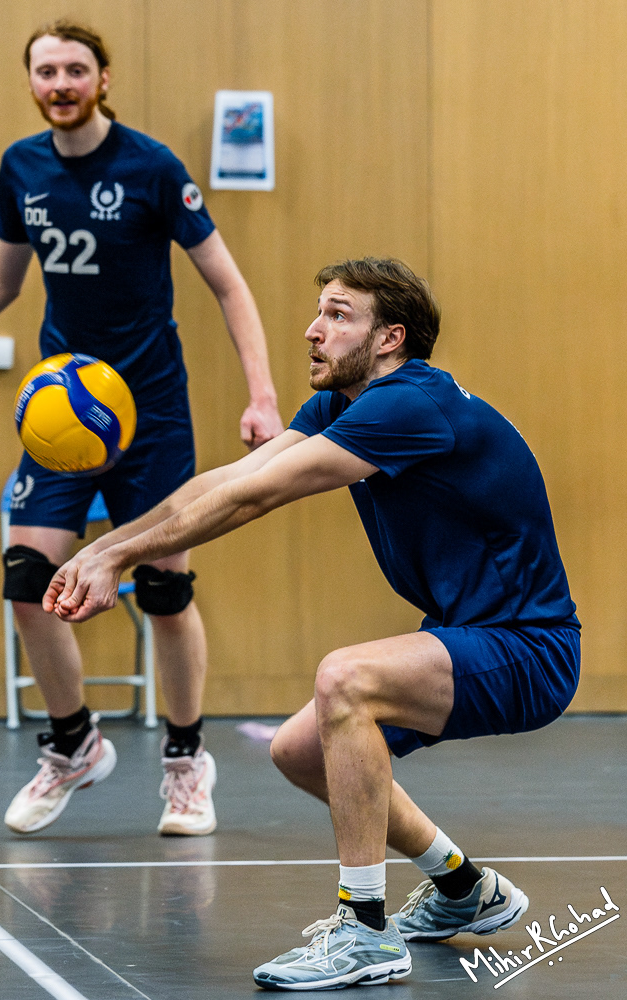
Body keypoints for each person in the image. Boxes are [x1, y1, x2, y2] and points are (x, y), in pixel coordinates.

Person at [41, 257, 580, 989]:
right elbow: (227, 481)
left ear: (390, 338)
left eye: (337, 314)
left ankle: (365, 933)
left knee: (345, 679)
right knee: (299, 750)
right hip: (472, 636)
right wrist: (104, 548)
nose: (312, 330)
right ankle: (463, 888)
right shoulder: (342, 405)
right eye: (319, 312)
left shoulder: (408, 404)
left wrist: (121, 558)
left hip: (529, 649)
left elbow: (257, 499)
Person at [0, 20, 283, 839]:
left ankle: (186, 762)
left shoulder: (152, 167)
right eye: (46, 71)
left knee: (163, 590)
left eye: (75, 70)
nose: (60, 84)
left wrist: (261, 396)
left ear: (103, 78)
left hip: (150, 412)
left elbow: (229, 285)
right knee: (28, 580)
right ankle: (73, 745)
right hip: (62, 414)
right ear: (31, 82)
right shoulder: (21, 167)